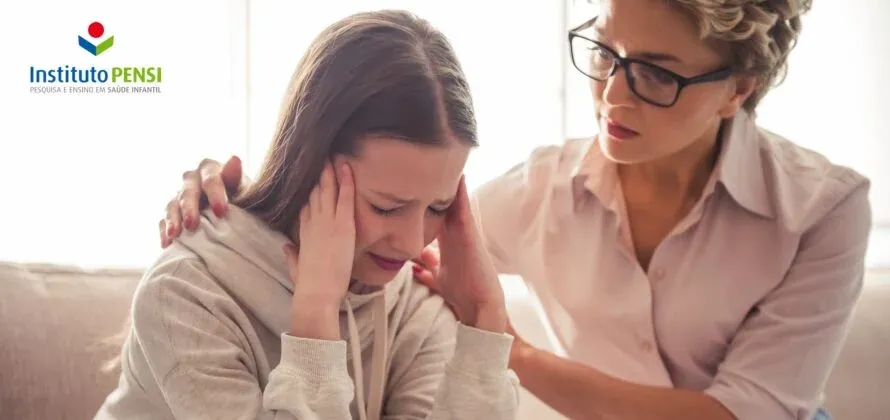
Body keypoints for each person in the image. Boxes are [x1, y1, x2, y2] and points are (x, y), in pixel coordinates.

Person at [160, 1, 871, 419]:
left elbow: (745, 415)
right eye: (605, 52)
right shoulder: (538, 189)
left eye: (656, 73)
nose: (613, 94)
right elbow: (386, 213)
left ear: (739, 89)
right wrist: (236, 196)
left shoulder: (821, 209)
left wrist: (506, 344)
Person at [96, 10, 521, 420]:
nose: (413, 244)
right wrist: (316, 318)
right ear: (309, 167)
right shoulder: (187, 294)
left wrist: (485, 317)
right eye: (386, 207)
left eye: (438, 207)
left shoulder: (413, 303)